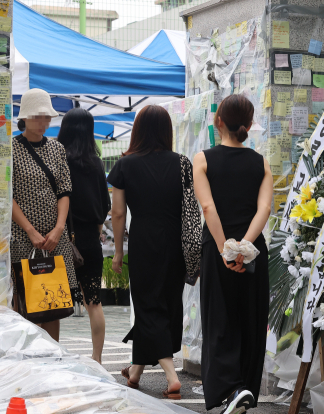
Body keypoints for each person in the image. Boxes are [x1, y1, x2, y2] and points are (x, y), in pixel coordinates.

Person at [107, 105, 196, 400]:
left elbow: (118, 214)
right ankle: (136, 371)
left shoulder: (125, 164)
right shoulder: (183, 163)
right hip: (176, 240)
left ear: (138, 131)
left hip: (145, 240)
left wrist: (118, 252)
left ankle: (171, 377)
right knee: (167, 304)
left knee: (148, 306)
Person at [193, 95, 272, 414]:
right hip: (254, 252)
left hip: (216, 250)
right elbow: (264, 208)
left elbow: (208, 207)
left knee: (220, 320)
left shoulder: (203, 159)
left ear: (218, 122)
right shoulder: (260, 162)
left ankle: (231, 389)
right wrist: (244, 247)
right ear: (249, 126)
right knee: (250, 319)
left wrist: (228, 248)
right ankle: (244, 389)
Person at [11, 88, 83, 342]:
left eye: (47, 118)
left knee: (54, 303)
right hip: (22, 238)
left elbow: (65, 190)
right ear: (25, 118)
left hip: (54, 236)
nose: (43, 123)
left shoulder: (57, 149)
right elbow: (7, 196)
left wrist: (59, 228)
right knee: (24, 302)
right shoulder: (11, 149)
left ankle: (52, 358)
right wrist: (30, 231)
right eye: (38, 117)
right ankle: (25, 360)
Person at [58, 108, 111, 364]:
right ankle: (97, 359)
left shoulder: (58, 160)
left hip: (61, 239)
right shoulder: (96, 163)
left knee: (53, 301)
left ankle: (52, 357)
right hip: (90, 240)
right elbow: (104, 206)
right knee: (94, 302)